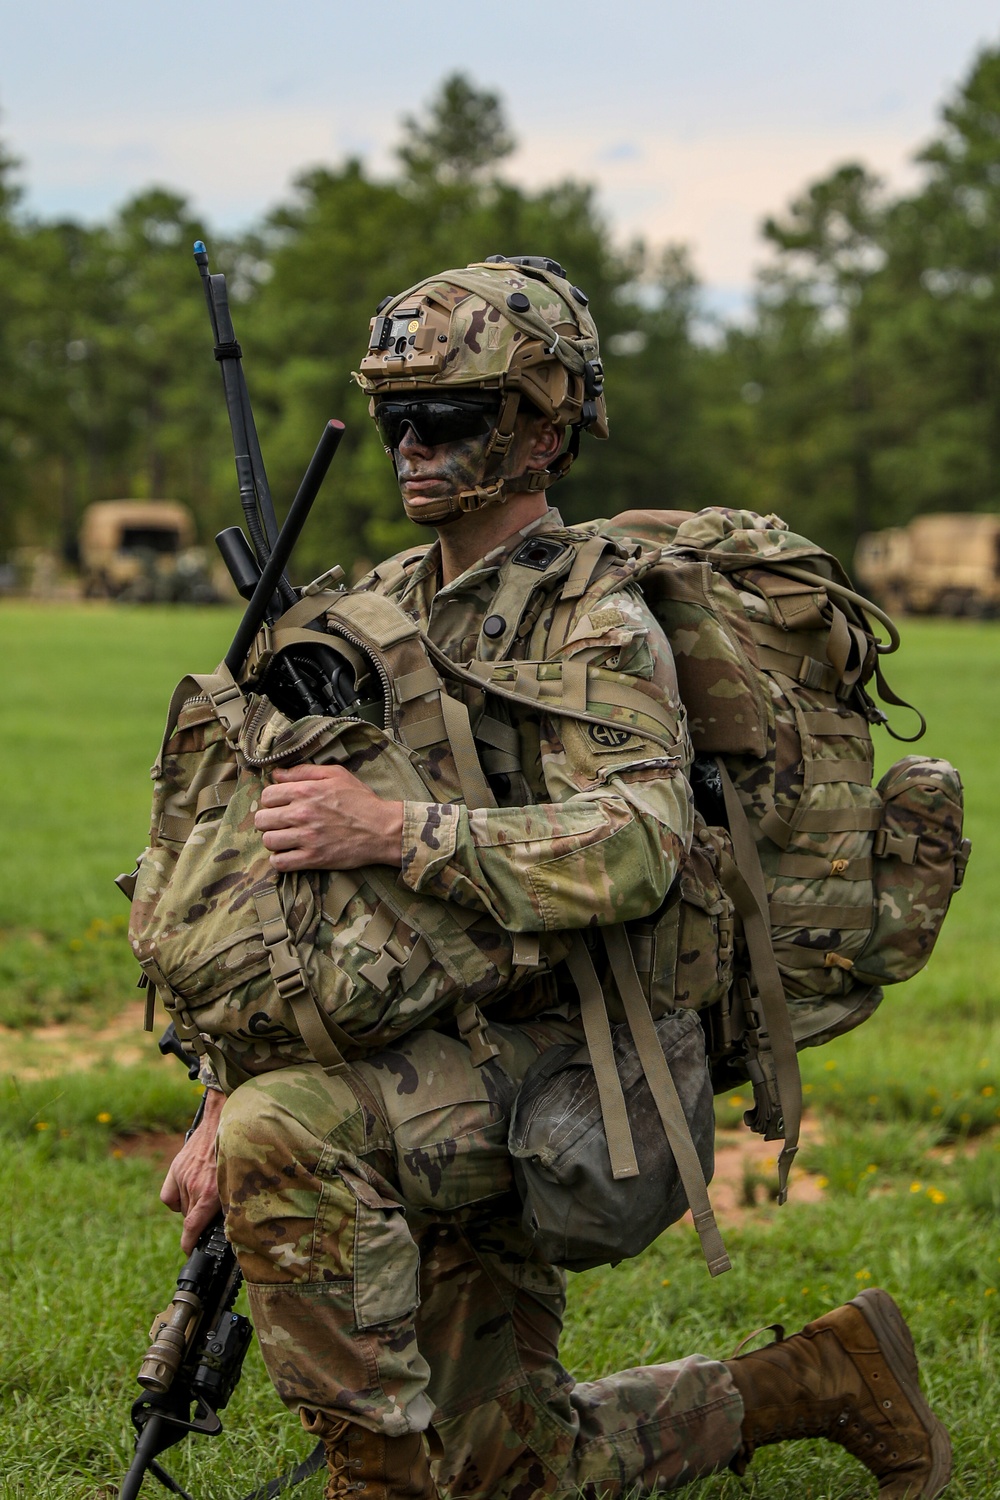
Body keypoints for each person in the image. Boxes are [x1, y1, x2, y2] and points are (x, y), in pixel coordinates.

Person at [160, 257, 951, 1499]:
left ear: (544, 425)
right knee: (504, 1466)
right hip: (424, 1040)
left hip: (569, 1064)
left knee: (288, 1136)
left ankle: (376, 1485)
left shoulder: (594, 617)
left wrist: (394, 830)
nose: (414, 447)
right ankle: (821, 1377)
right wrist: (217, 1085)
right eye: (395, 420)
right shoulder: (373, 604)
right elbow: (282, 890)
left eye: (453, 418)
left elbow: (639, 844)